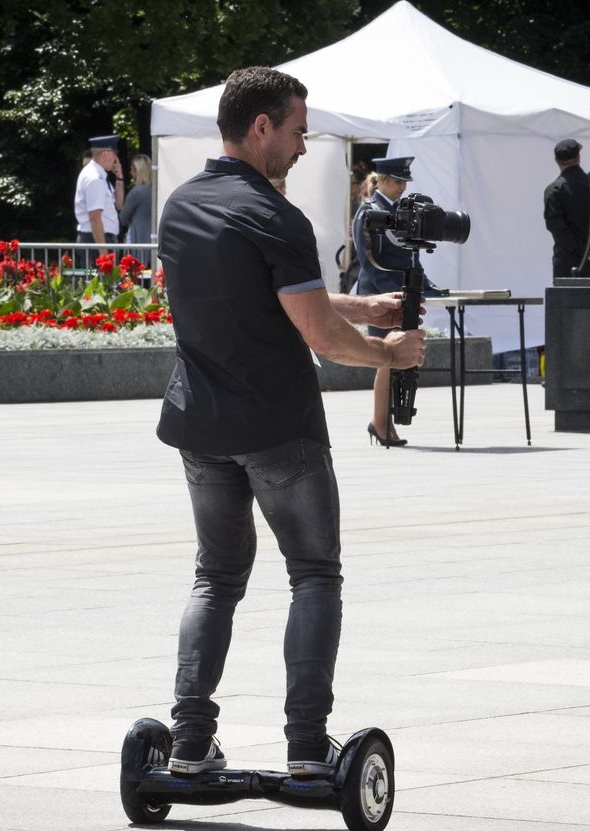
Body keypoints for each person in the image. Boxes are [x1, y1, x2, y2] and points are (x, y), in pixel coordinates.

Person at [156, 65, 426, 779]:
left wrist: (363, 308)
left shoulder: (181, 206)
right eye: (299, 132)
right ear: (262, 127)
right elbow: (319, 338)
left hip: (200, 425)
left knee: (216, 577)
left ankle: (186, 742)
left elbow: (261, 294)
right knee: (314, 575)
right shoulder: (277, 217)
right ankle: (307, 747)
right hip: (277, 427)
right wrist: (388, 353)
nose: (304, 147)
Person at [350, 156, 438, 447]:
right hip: (382, 294)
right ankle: (380, 422)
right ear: (383, 180)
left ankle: (385, 423)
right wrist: (392, 297)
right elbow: (369, 261)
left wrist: (427, 287)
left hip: (401, 293)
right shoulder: (369, 212)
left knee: (395, 358)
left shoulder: (401, 212)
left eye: (404, 182)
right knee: (387, 358)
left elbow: (411, 257)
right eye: (397, 181)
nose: (402, 187)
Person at [543, 139, 590, 278]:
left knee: (565, 299)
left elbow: (557, 228)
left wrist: (584, 251)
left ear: (556, 160)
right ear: (579, 157)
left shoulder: (553, 191)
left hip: (567, 260)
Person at [74, 134, 125, 265]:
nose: (115, 158)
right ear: (105, 153)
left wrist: (119, 177)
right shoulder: (94, 178)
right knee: (99, 284)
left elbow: (118, 205)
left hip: (98, 239)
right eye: (114, 153)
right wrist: (103, 253)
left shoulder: (98, 175)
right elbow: (95, 218)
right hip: (96, 241)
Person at [118, 154, 154, 267]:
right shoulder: (155, 191)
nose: (130, 173)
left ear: (138, 171)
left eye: (132, 170)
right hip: (152, 239)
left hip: (137, 238)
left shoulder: (136, 192)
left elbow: (122, 218)